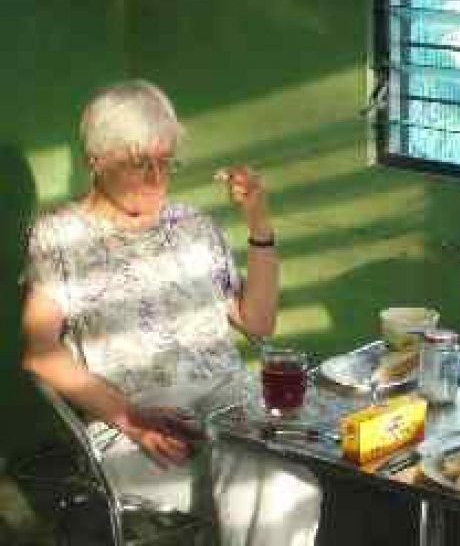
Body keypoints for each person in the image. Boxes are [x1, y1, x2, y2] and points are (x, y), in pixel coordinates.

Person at [21, 79, 321, 545]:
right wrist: (128, 416)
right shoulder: (60, 237)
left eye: (166, 162)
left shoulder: (192, 225)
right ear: (96, 160)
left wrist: (258, 221)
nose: (156, 178)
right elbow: (41, 354)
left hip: (229, 406)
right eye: (140, 163)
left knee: (281, 469)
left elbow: (258, 322)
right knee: (280, 481)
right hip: (139, 422)